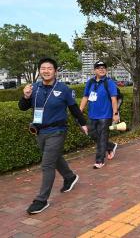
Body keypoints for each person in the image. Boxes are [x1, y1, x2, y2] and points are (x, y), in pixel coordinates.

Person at [18, 58, 88, 214]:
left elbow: (73, 108)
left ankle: (41, 200)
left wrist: (83, 123)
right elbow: (22, 107)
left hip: (57, 131)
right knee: (54, 158)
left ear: (55, 71)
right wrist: (26, 96)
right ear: (39, 71)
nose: (46, 71)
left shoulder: (63, 89)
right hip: (39, 131)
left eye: (49, 68)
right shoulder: (34, 88)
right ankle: (69, 177)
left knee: (47, 164)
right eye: (43, 68)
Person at [80, 61, 120, 169]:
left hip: (105, 115)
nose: (101, 69)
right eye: (98, 68)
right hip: (92, 115)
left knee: (102, 138)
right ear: (95, 70)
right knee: (91, 133)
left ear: (106, 70)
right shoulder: (90, 82)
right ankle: (111, 146)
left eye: (103, 68)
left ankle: (99, 160)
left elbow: (113, 99)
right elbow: (85, 97)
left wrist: (115, 113)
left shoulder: (109, 82)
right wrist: (79, 111)